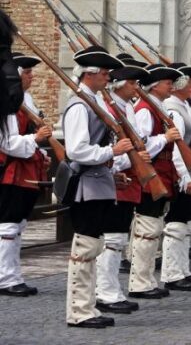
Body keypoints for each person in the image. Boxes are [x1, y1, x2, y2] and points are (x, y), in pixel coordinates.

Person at [61, 46, 131, 328]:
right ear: (89, 75)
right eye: (103, 73)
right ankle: (78, 311)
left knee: (94, 246)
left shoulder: (92, 101)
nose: (108, 78)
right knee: (85, 248)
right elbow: (77, 150)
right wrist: (112, 152)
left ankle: (87, 306)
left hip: (97, 182)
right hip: (84, 185)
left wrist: (111, 167)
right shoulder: (79, 105)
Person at [95, 58, 150, 314]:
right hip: (115, 175)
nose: (135, 87)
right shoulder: (106, 108)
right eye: (131, 82)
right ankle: (104, 292)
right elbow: (108, 146)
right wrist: (120, 163)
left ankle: (112, 289)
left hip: (128, 175)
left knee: (118, 237)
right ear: (117, 84)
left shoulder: (125, 107)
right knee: (111, 238)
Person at [128, 64, 183, 300]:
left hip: (162, 169)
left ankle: (147, 279)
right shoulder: (144, 110)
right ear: (155, 85)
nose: (171, 86)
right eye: (167, 82)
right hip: (152, 171)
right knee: (147, 229)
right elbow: (141, 145)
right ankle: (140, 282)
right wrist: (165, 137)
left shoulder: (155, 107)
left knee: (154, 227)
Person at [0, 52, 52, 297]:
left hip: (26, 168)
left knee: (17, 225)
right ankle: (5, 278)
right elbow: (8, 143)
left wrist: (41, 151)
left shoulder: (24, 99)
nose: (32, 76)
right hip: (12, 170)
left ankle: (14, 275)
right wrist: (36, 138)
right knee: (8, 226)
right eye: (27, 72)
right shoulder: (9, 103)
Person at [161, 63, 191, 292]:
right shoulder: (173, 109)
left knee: (187, 223)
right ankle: (172, 273)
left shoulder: (184, 105)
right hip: (185, 173)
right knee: (177, 225)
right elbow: (177, 147)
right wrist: (183, 175)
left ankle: (183, 271)